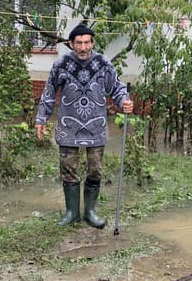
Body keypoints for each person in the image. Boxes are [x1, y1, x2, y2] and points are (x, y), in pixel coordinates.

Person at [35, 23, 133, 228]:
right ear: (71, 44)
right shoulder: (61, 64)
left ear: (92, 43)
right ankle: (72, 213)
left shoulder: (102, 62)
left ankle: (90, 211)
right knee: (68, 169)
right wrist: (41, 119)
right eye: (78, 43)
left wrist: (123, 101)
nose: (83, 47)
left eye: (87, 42)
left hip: (95, 126)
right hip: (68, 125)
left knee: (95, 170)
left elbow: (116, 87)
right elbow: (49, 92)